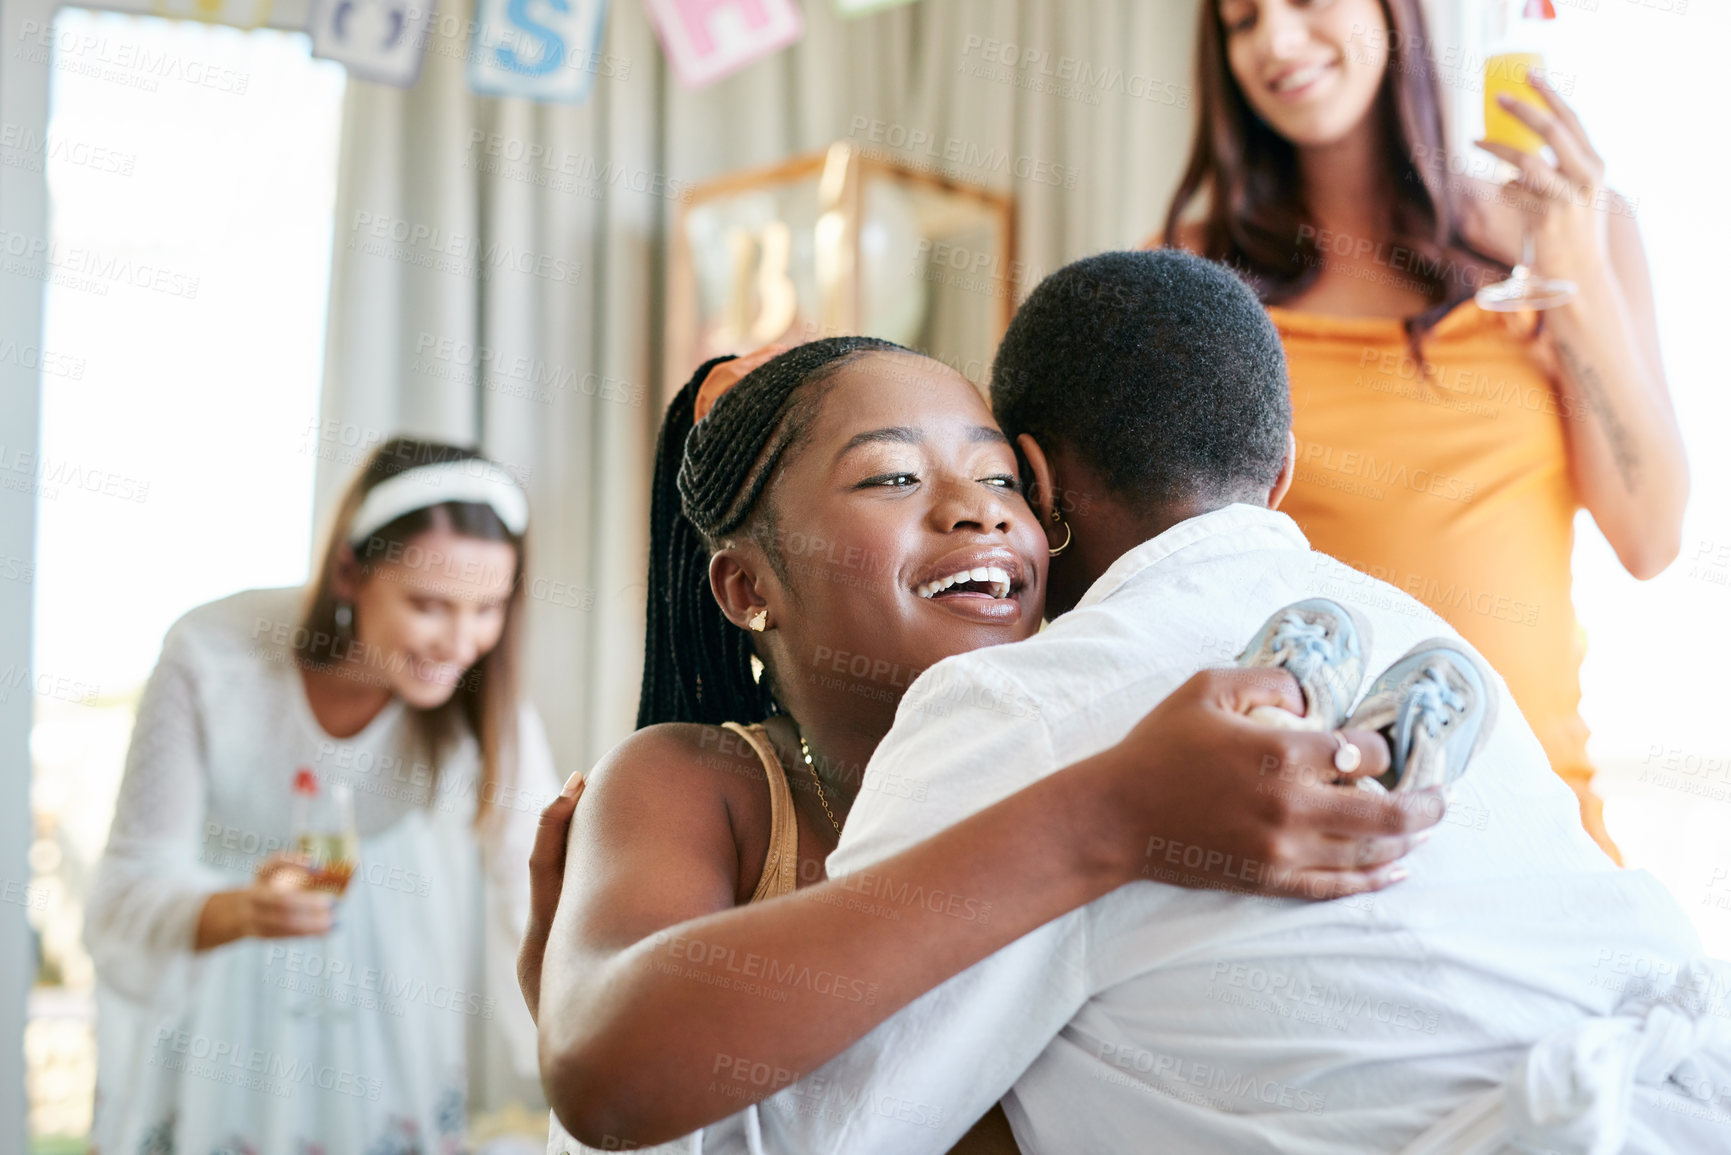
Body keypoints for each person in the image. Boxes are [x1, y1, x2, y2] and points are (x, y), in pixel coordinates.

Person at [731, 250, 1726, 1154]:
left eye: (995, 479)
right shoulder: (1424, 635)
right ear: (1282, 470)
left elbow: (812, 1129)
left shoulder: (1008, 708)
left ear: (1037, 484)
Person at [519, 337, 1441, 1153]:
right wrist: (1113, 816)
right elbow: (609, 1076)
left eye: (1003, 479)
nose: (977, 510)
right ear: (746, 586)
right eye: (890, 477)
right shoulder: (697, 779)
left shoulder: (1087, 733)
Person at [1153, 0, 1688, 860]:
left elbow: (1650, 534)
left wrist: (1575, 273)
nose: (1275, 42)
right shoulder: (1187, 279)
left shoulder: (1576, 235)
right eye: (1241, 21)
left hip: (1543, 829)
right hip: (1326, 834)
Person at [84, 438, 559, 1154]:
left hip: (386, 1002)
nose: (462, 642)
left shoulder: (481, 703)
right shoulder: (211, 653)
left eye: (488, 607)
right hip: (220, 998)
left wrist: (587, 1045)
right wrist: (244, 907)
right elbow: (126, 890)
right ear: (349, 570)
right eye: (429, 604)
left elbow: (535, 888)